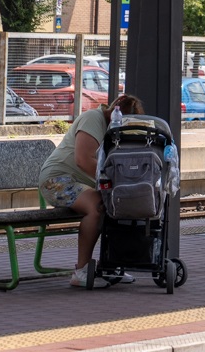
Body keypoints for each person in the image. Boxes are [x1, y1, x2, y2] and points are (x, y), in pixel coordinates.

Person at [39, 94, 144, 287]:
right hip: (57, 180)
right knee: (97, 207)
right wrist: (116, 182)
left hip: (81, 183)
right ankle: (81, 272)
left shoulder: (113, 130)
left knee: (118, 206)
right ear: (115, 107)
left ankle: (112, 266)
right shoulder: (93, 118)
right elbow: (83, 160)